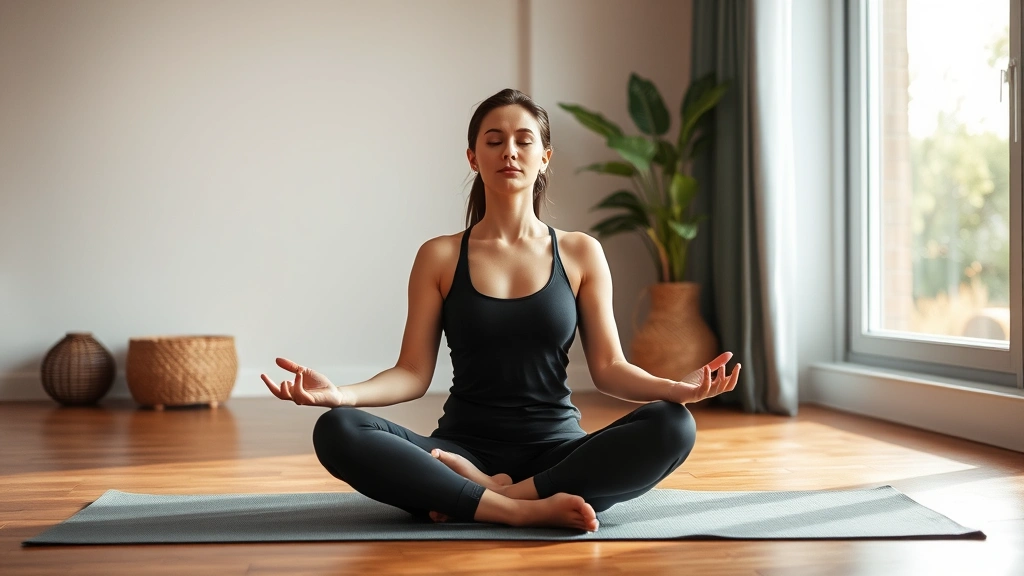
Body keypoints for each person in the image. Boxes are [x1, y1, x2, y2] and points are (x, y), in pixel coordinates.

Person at [262, 88, 740, 533]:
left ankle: (485, 497)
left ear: (544, 157)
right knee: (338, 429)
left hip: (559, 454)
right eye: (494, 141)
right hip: (458, 451)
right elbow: (411, 373)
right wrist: (340, 396)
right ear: (474, 157)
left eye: (523, 140)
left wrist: (676, 389)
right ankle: (515, 510)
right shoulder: (441, 256)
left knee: (674, 423)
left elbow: (610, 369)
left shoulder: (580, 253)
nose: (509, 151)